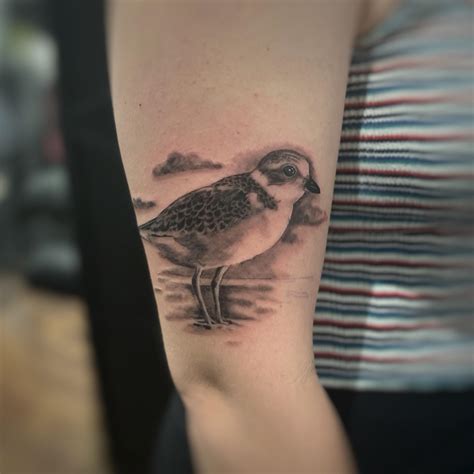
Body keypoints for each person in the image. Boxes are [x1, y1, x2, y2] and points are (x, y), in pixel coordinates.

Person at [60, 0, 474, 472]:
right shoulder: (246, 202)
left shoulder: (275, 210)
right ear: (272, 177)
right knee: (206, 275)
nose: (306, 186)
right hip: (315, 437)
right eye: (293, 175)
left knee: (218, 275)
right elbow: (238, 392)